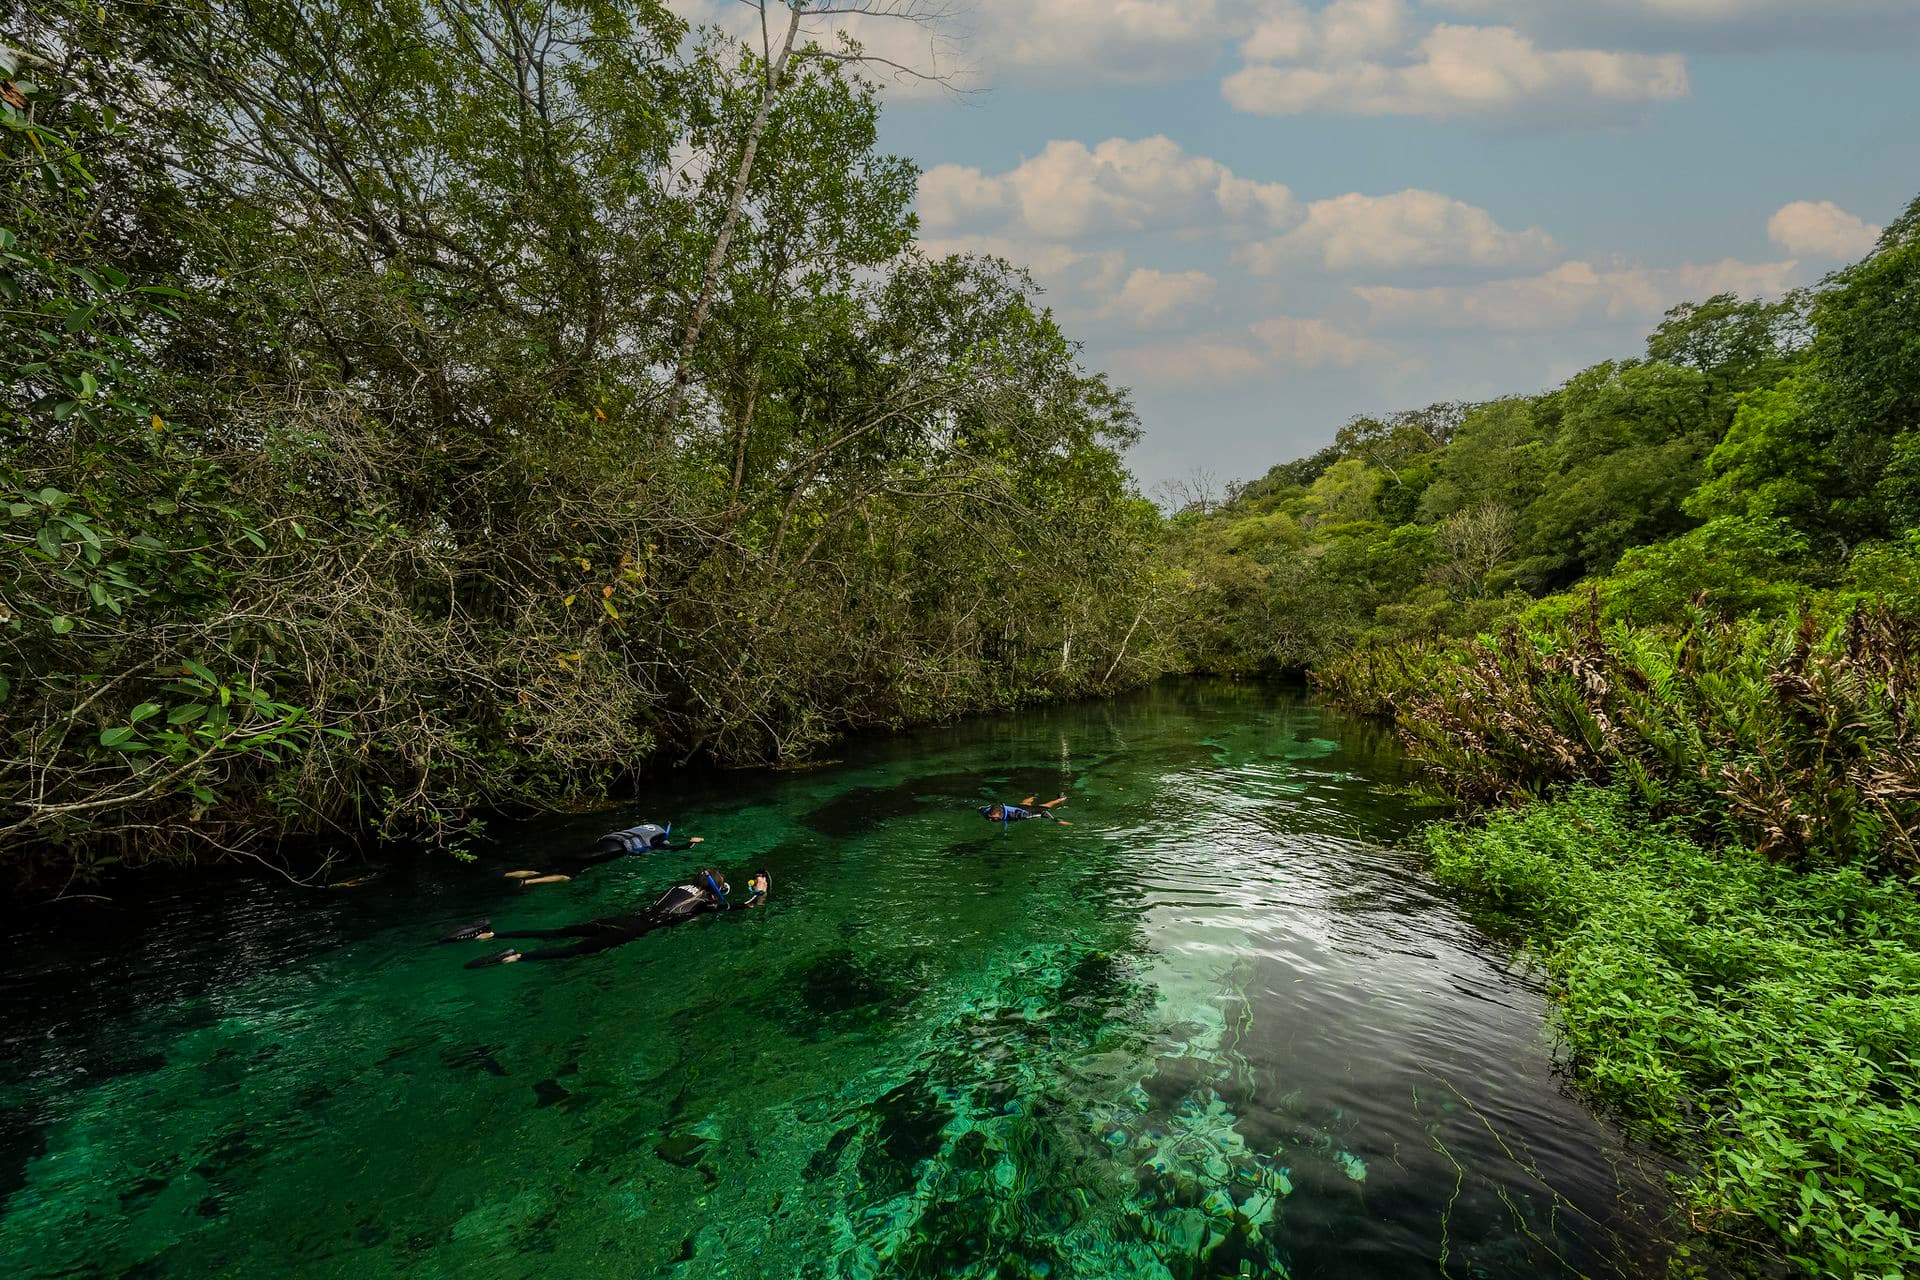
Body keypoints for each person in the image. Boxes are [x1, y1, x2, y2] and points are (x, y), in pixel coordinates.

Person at [444, 869, 769, 967]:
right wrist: (759, 896)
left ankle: (489, 934)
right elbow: (738, 908)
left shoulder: (678, 886)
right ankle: (516, 957)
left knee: (559, 931)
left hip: (624, 915)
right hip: (636, 929)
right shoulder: (703, 906)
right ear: (714, 891)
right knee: (573, 951)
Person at [503, 822, 704, 884]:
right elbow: (672, 848)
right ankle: (527, 882)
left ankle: (510, 874)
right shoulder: (659, 842)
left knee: (553, 865)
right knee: (568, 875)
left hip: (607, 842)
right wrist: (689, 844)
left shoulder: (649, 828)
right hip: (614, 851)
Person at [979, 795, 1070, 829]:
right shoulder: (988, 813)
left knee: (1045, 806)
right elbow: (981, 808)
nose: (991, 819)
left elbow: (1043, 813)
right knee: (1023, 803)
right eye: (990, 817)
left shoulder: (1018, 816)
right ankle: (1034, 796)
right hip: (1017, 807)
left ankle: (1061, 798)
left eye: (993, 818)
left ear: (1000, 814)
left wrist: (1056, 820)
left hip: (1024, 811)